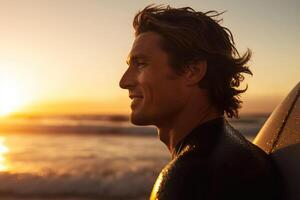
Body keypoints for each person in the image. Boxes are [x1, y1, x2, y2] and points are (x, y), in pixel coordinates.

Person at [119, 5, 281, 200]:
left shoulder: (192, 177)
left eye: (141, 64)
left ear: (192, 71)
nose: (124, 82)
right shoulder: (235, 150)